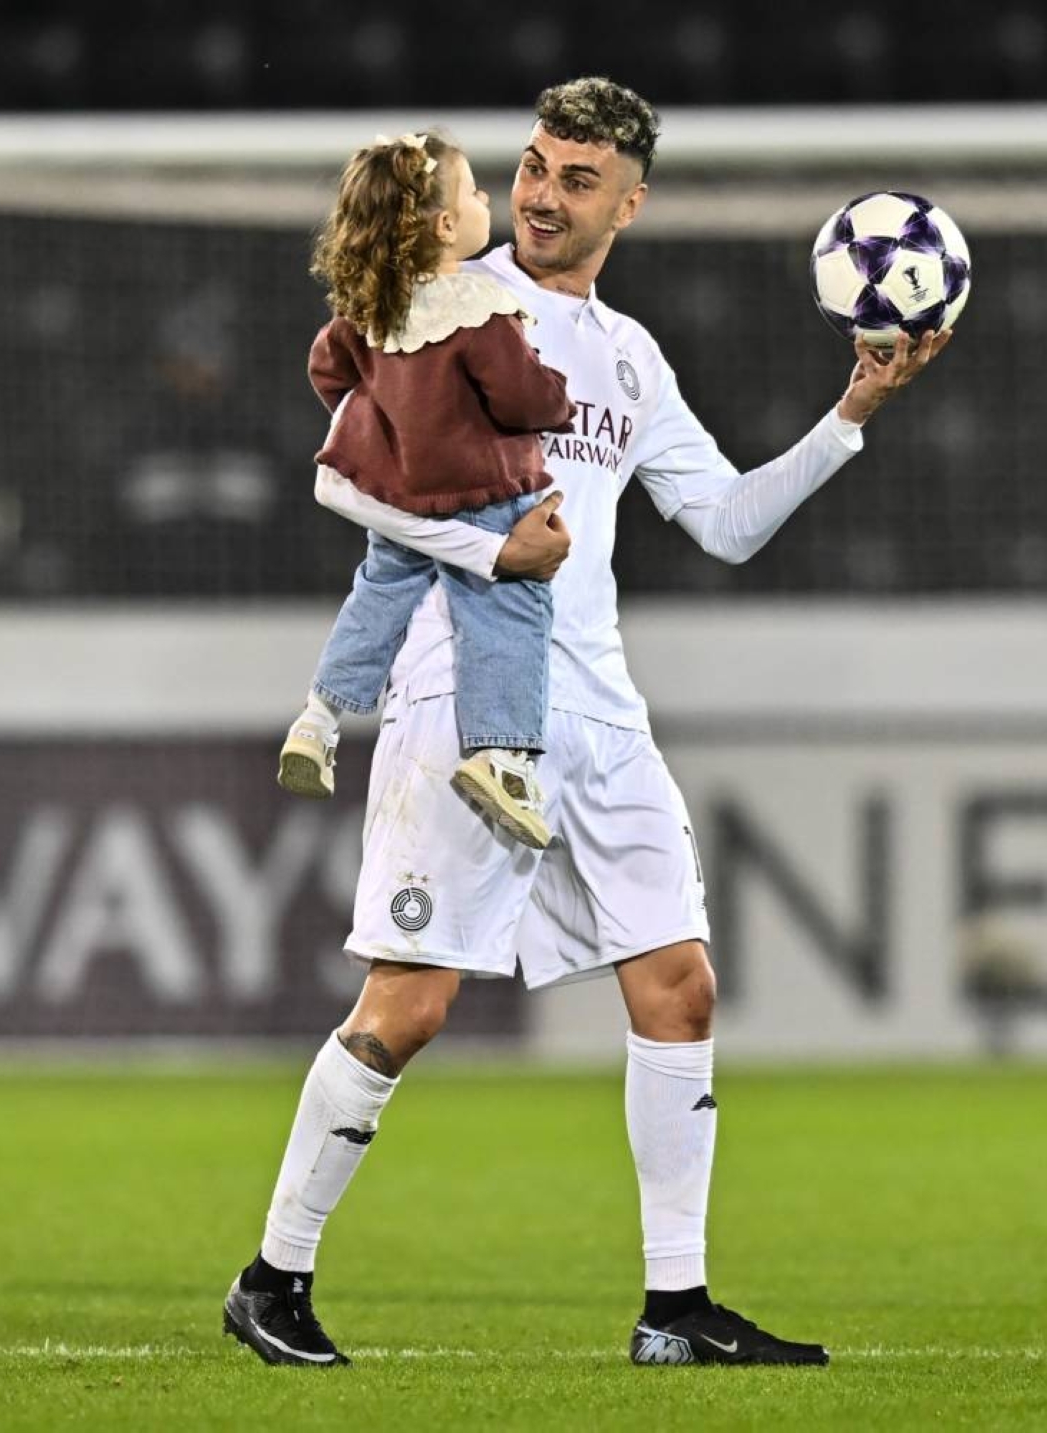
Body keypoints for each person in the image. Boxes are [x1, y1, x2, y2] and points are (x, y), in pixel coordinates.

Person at [224, 76, 951, 1370]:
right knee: (410, 1003)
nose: (542, 197)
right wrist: (490, 551)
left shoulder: (631, 356)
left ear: (631, 203)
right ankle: (272, 1277)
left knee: (680, 986)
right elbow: (353, 483)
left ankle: (676, 1306)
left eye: (576, 180)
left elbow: (724, 522)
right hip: (467, 696)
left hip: (603, 714)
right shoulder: (442, 301)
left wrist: (853, 414)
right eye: (533, 168)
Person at [277, 130, 576, 849]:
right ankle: (501, 755)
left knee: (377, 598)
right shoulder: (478, 309)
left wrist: (387, 434)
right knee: (509, 611)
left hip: (403, 499)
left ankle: (318, 721)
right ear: (445, 226)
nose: (484, 200)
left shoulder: (370, 310)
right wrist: (558, 397)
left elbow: (327, 373)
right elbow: (521, 397)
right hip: (488, 494)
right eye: (473, 192)